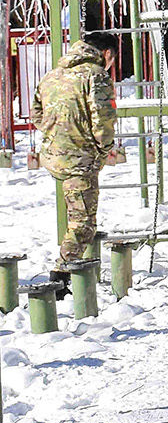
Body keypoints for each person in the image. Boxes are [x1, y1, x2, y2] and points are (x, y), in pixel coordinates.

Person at [31, 31, 120, 279]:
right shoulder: (96, 76)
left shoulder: (52, 76)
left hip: (54, 155)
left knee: (76, 214)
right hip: (81, 159)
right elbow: (103, 120)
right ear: (107, 53)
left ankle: (73, 268)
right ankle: (62, 275)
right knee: (83, 223)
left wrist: (57, 137)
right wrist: (102, 149)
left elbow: (36, 114)